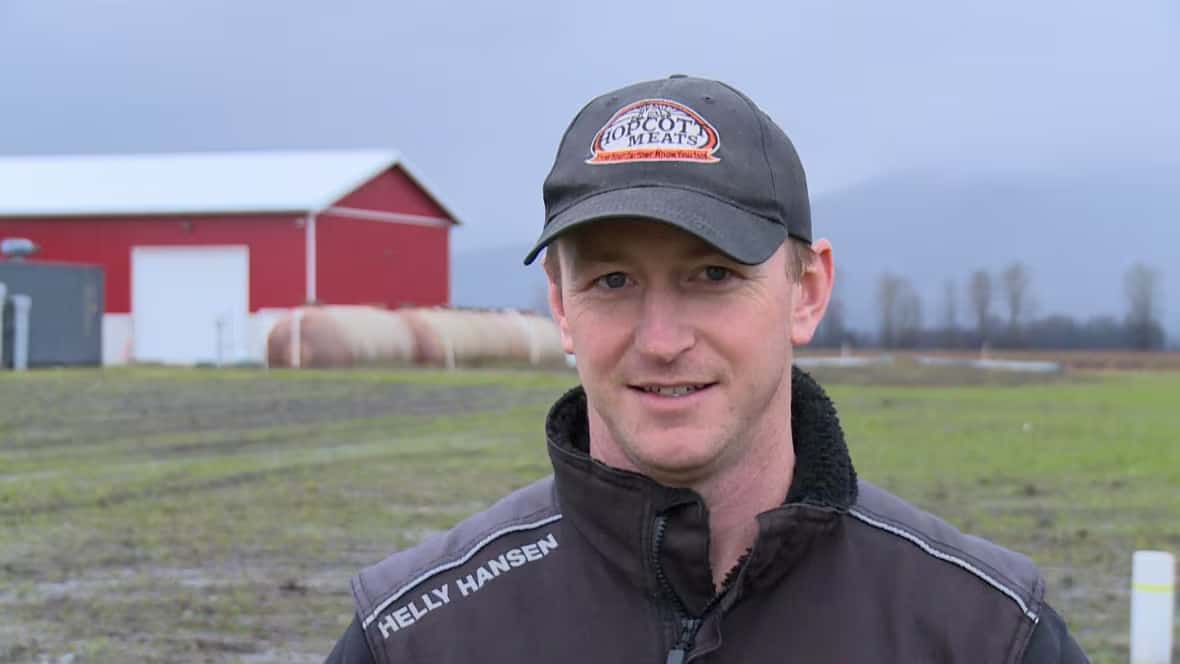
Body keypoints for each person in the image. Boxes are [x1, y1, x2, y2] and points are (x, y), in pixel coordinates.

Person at [326, 75, 1088, 663]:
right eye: (613, 281)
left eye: (713, 275)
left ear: (807, 291)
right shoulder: (418, 636)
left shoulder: (981, 633)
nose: (661, 341)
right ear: (561, 305)